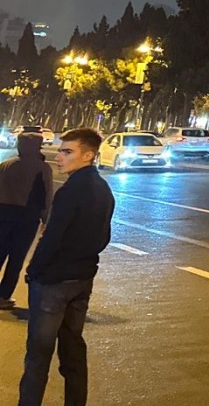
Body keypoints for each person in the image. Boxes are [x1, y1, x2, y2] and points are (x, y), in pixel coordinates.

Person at [18, 127, 114, 406]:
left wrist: (33, 271)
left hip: (53, 283)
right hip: (82, 279)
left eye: (67, 151)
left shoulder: (71, 191)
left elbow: (52, 238)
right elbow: (104, 236)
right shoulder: (103, 189)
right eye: (60, 150)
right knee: (73, 349)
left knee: (38, 353)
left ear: (88, 155)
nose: (59, 156)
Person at [0, 133, 54, 308]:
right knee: (16, 258)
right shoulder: (43, 168)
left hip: (2, 214)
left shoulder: (6, 165)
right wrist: (46, 220)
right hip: (27, 217)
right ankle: (3, 296)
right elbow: (46, 196)